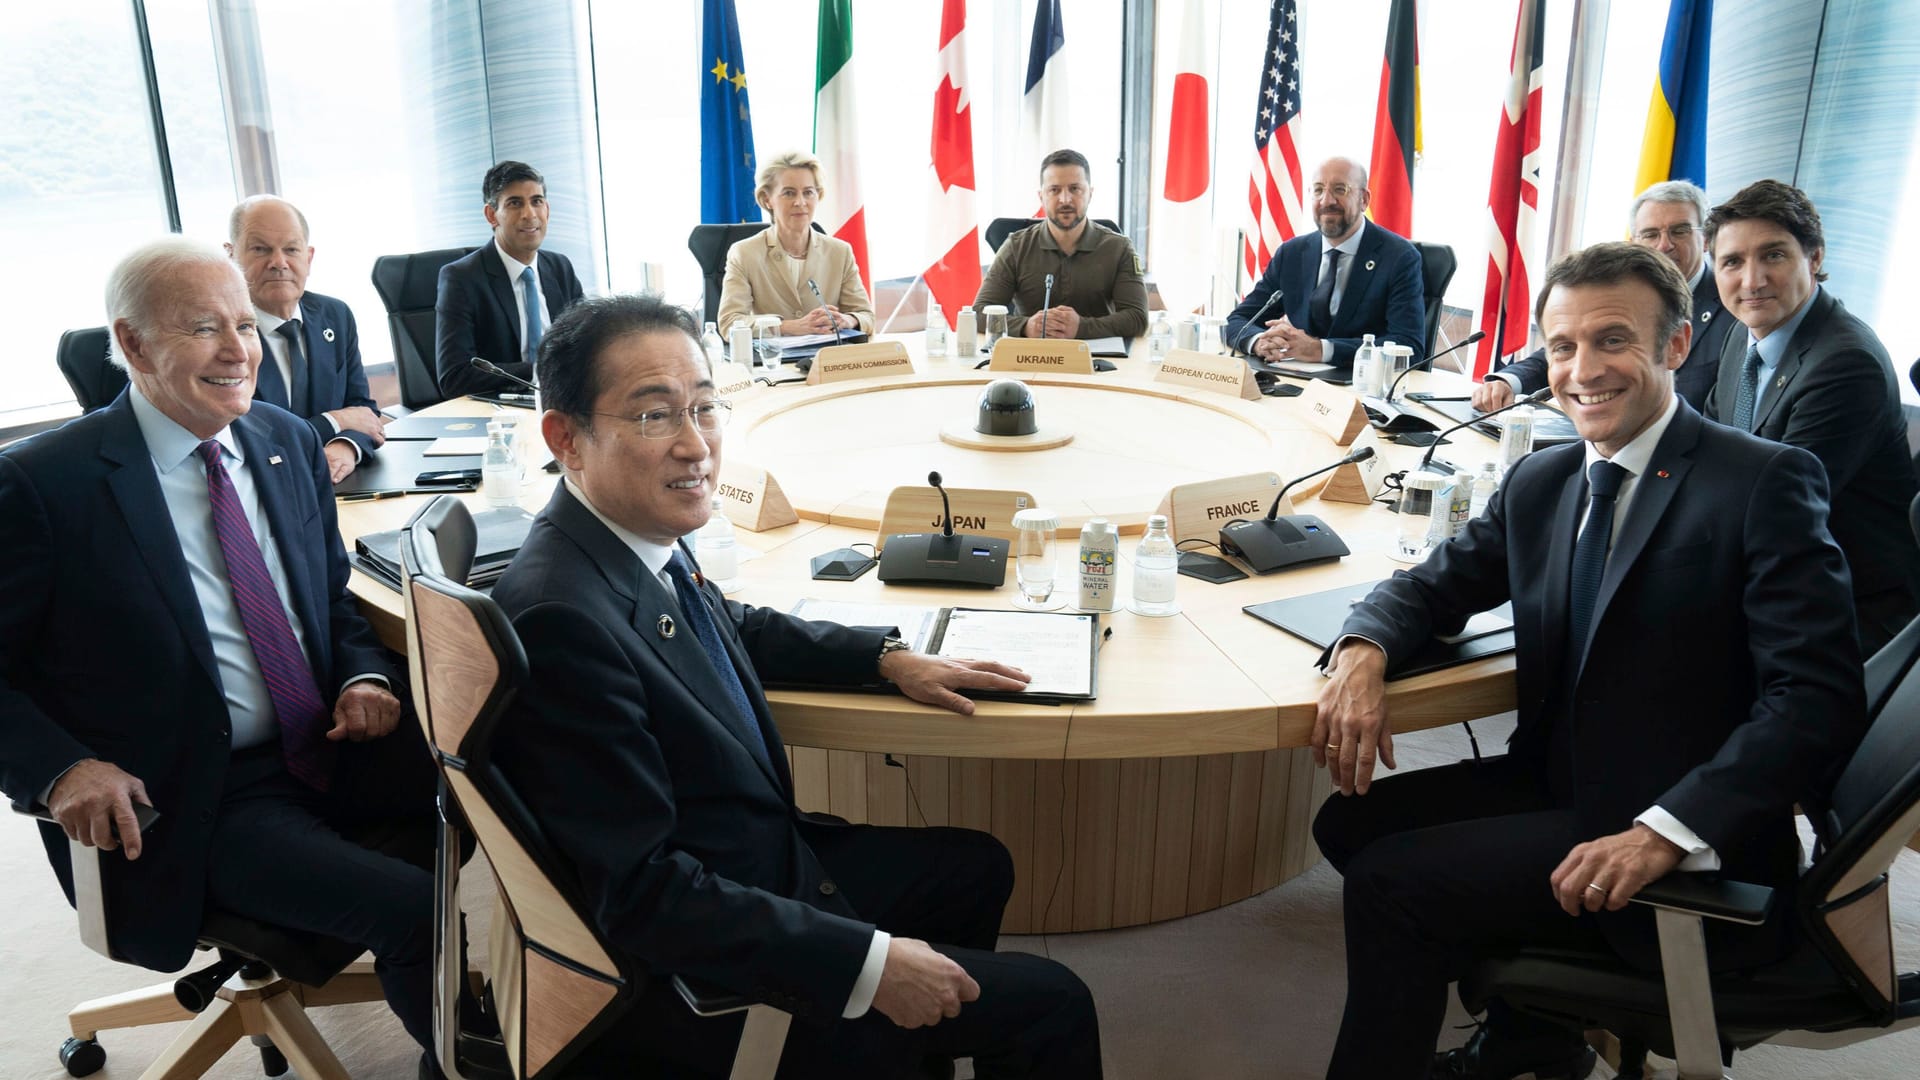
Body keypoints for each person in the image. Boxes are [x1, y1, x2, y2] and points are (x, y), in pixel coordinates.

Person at [488, 294, 1103, 1078]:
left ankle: (894, 1052)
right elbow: (643, 895)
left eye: (706, 408)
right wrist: (870, 967)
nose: (695, 445)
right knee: (1055, 1002)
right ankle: (868, 1027)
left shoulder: (617, 539)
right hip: (707, 947)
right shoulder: (559, 617)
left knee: (974, 867)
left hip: (755, 859)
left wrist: (884, 657)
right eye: (654, 417)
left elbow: (726, 623)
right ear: (565, 438)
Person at [1310, 242, 1866, 1080]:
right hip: (1565, 777)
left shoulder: (1763, 482)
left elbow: (1813, 701)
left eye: (1613, 341)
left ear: (1675, 347)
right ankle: (1536, 1032)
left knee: (1394, 885)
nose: (1581, 370)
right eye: (1563, 347)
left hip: (1676, 820)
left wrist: (1661, 833)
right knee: (1348, 823)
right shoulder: (1545, 479)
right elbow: (1432, 585)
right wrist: (1362, 650)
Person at [0, 239, 442, 1064]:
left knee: (520, 779)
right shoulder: (44, 487)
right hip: (194, 794)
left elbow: (330, 597)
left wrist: (364, 671)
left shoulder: (282, 440)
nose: (240, 350)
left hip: (328, 742)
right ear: (132, 344)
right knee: (413, 906)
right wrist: (61, 770)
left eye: (245, 323)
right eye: (204, 328)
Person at [1700, 179, 1920, 656]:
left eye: (1773, 256)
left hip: (1844, 608)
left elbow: (1770, 509)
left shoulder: (1846, 363)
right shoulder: (1745, 334)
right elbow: (1707, 446)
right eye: (1732, 262)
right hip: (1767, 574)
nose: (1751, 280)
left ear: (1814, 258)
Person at [1473, 180, 1735, 412]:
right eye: (1651, 234)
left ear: (1705, 239)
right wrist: (1508, 381)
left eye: (1679, 231)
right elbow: (1568, 347)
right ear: (1635, 242)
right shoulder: (1625, 291)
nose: (1664, 245)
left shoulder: (1735, 305)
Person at [225, 195, 386, 483]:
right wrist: (334, 423)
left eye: (291, 249)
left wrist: (346, 445)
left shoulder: (335, 315)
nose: (279, 262)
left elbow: (363, 410)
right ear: (230, 256)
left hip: (338, 487)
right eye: (261, 249)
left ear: (308, 258)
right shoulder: (221, 334)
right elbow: (241, 438)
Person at [1224, 156, 1426, 370]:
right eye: (1318, 190)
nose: (1326, 201)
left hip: (1360, 387)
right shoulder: (1292, 253)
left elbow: (1408, 346)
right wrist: (1259, 342)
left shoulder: (1399, 257)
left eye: (1340, 189)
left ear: (1364, 200)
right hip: (1294, 382)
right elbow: (1238, 319)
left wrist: (1321, 349)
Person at [434, 160, 585, 398]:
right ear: (492, 215)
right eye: (515, 204)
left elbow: (585, 346)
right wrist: (539, 371)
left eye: (537, 201)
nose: (529, 214)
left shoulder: (560, 267)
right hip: (502, 410)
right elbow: (455, 376)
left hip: (564, 401)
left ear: (547, 209)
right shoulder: (461, 279)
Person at [974, 149, 1148, 340]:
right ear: (1042, 197)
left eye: (1075, 189)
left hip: (1099, 361)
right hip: (1029, 359)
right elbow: (979, 313)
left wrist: (1081, 327)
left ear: (1090, 194)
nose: (1065, 199)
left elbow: (1137, 318)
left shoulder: (1119, 248)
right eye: (1054, 190)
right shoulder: (1016, 247)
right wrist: (1026, 326)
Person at [716, 150, 874, 340]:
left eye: (808, 192)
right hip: (772, 363)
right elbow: (729, 323)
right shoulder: (745, 253)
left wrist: (847, 320)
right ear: (767, 199)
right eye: (789, 193)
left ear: (818, 196)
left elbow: (866, 316)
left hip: (828, 360)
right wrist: (789, 326)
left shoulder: (840, 252)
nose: (800, 202)